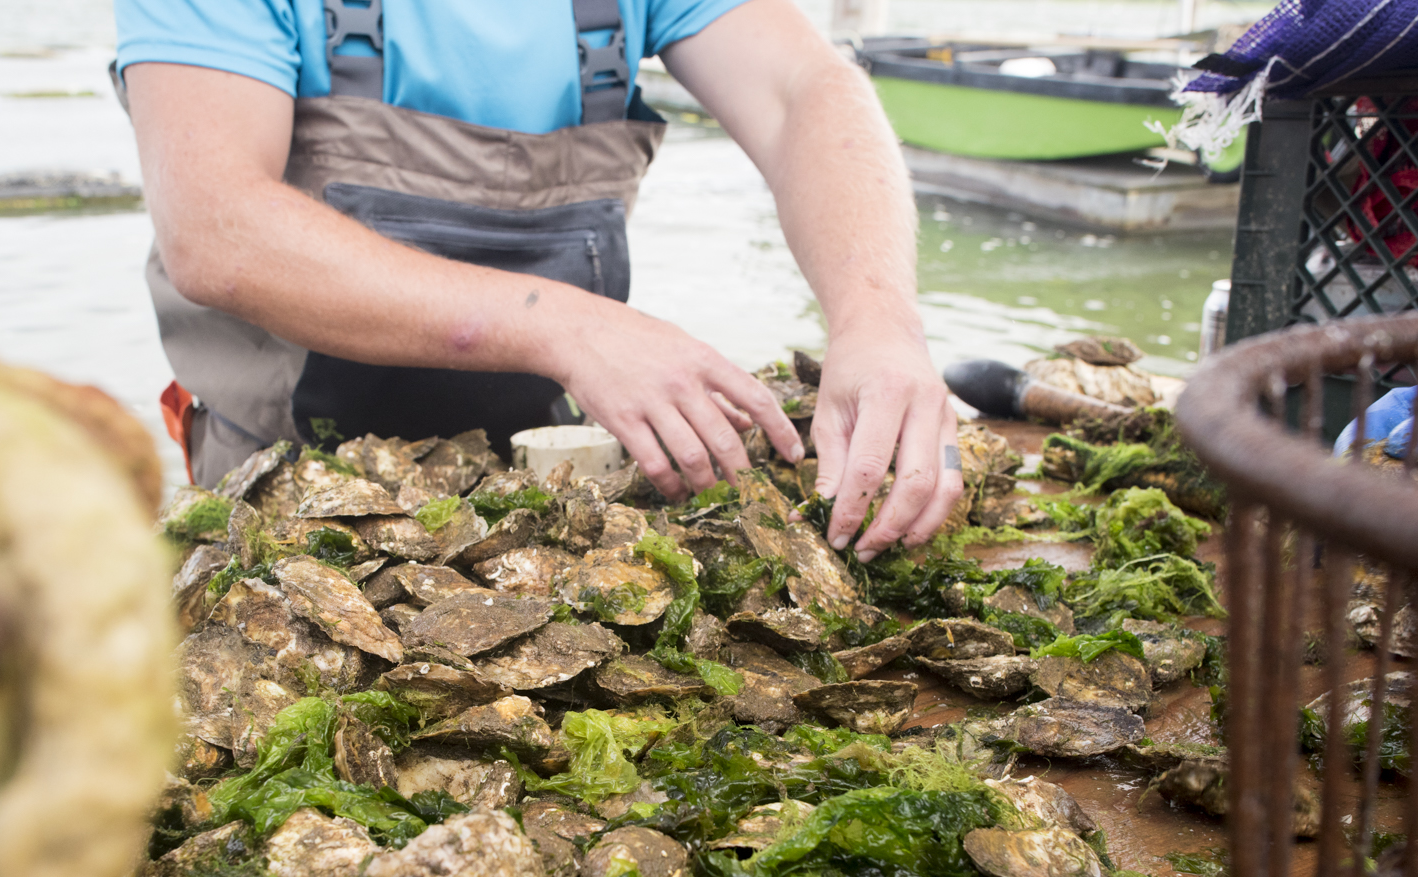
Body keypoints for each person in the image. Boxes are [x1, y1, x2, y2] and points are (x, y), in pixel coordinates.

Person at [115, 0, 964, 560]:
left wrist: (877, 317)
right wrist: (565, 327)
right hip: (282, 491)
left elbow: (803, 88)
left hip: (543, 487)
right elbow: (215, 225)